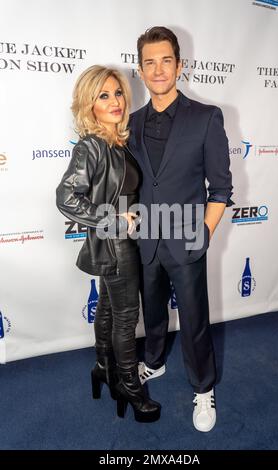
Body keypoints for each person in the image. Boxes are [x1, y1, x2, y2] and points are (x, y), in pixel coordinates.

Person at [129, 27, 233, 432]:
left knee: (194, 320)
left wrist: (203, 234)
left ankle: (204, 387)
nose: (158, 70)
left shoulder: (206, 118)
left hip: (188, 239)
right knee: (151, 313)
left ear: (180, 65)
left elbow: (221, 188)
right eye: (149, 62)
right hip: (145, 242)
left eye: (165, 61)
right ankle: (153, 362)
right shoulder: (131, 123)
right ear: (140, 70)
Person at [56, 65, 161, 423]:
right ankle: (130, 387)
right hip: (117, 243)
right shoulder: (91, 146)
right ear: (90, 105)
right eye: (103, 95)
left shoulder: (117, 141)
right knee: (126, 318)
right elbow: (67, 197)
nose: (115, 101)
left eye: (118, 93)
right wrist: (112, 221)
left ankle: (104, 366)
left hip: (118, 240)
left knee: (107, 308)